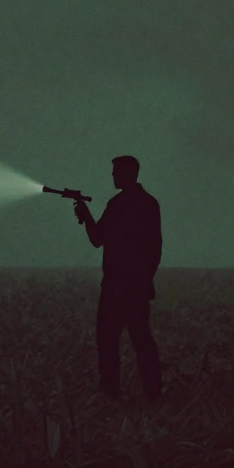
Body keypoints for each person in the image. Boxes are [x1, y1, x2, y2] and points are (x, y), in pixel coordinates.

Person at [73, 155, 163, 402]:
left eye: (115, 172)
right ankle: (153, 392)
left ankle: (110, 392)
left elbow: (97, 239)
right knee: (142, 339)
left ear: (127, 173)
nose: (112, 176)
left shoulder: (118, 204)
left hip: (115, 286)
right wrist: (145, 280)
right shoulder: (150, 204)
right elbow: (155, 249)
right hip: (137, 286)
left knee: (108, 340)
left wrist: (86, 216)